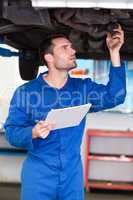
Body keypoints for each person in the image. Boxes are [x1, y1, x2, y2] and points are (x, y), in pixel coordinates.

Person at [4, 25, 126, 200]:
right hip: (39, 174)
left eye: (71, 46)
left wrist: (114, 53)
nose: (73, 50)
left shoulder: (83, 88)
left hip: (72, 174)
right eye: (65, 47)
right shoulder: (26, 92)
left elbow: (116, 96)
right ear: (49, 57)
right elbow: (11, 132)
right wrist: (32, 132)